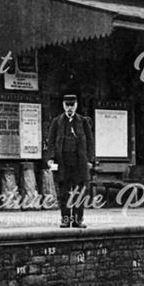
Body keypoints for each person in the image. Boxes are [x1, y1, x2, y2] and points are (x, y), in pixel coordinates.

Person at [46, 93, 95, 228]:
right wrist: (50, 158)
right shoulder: (57, 122)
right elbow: (50, 143)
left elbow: (90, 142)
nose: (69, 108)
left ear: (76, 105)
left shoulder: (83, 121)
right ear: (63, 105)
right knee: (64, 194)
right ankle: (65, 219)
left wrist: (90, 159)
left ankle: (78, 220)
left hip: (79, 163)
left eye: (72, 105)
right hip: (63, 163)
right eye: (67, 105)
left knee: (79, 192)